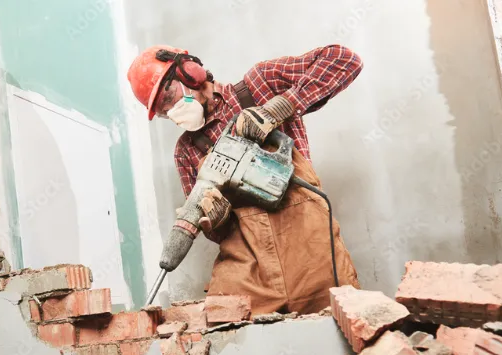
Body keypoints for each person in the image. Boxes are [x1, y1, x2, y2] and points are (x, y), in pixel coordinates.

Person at [127, 44, 363, 314]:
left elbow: (344, 61)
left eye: (168, 97)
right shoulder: (187, 150)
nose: (171, 112)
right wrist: (217, 220)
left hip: (311, 252)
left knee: (341, 325)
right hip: (249, 269)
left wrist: (279, 107)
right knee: (227, 331)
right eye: (162, 111)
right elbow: (216, 232)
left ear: (189, 73)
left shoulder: (260, 85)